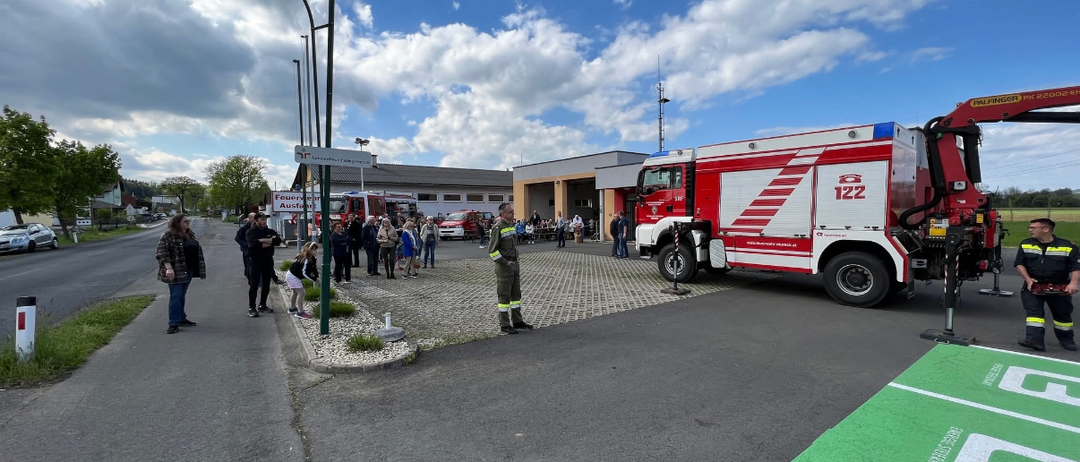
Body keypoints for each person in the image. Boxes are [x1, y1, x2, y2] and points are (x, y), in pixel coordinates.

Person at [1014, 218, 1080, 351]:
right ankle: (1034, 340)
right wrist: (1028, 279)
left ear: (1046, 229)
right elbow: (1019, 263)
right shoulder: (1026, 244)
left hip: (1059, 287)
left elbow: (1076, 267)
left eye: (1033, 228)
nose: (1030, 230)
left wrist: (1073, 283)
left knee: (1062, 315)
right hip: (1033, 285)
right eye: (1030, 227)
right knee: (1034, 314)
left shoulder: (1068, 246)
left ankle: (1067, 340)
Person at [488, 202, 534, 335]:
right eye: (510, 212)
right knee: (504, 297)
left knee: (516, 296)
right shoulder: (498, 228)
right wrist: (505, 262)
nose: (513, 214)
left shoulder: (511, 226)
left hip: (515, 265)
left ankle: (517, 321)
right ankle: (505, 324)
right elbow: (492, 251)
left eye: (513, 212)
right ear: (502, 214)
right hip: (504, 267)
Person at [156, 214, 207, 334]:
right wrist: (169, 268)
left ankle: (181, 318)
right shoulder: (168, 235)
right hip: (175, 270)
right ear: (177, 222)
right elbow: (161, 252)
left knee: (182, 294)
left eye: (188, 221)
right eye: (185, 221)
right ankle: (173, 323)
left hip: (188, 269)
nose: (188, 223)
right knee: (176, 295)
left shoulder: (190, 234)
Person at [246, 213, 282, 317]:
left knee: (266, 284)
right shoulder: (251, 232)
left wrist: (263, 241)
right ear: (256, 220)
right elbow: (252, 244)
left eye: (265, 219)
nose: (264, 221)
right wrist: (268, 241)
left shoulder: (269, 231)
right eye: (262, 219)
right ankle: (251, 308)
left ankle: (262, 305)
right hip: (255, 261)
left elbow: (278, 241)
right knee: (254, 284)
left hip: (268, 260)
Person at [286, 242, 318, 319]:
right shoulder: (306, 260)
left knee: (295, 292)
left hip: (291, 275)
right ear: (309, 250)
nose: (316, 252)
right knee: (302, 293)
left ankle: (292, 308)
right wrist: (314, 279)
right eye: (314, 250)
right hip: (293, 276)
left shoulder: (312, 259)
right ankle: (300, 312)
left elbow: (314, 268)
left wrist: (316, 276)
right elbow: (304, 273)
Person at [235, 212, 255, 279]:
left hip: (255, 248)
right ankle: (248, 275)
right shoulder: (244, 228)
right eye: (254, 218)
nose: (255, 219)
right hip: (246, 249)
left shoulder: (257, 227)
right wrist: (245, 244)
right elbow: (237, 238)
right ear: (249, 218)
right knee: (248, 263)